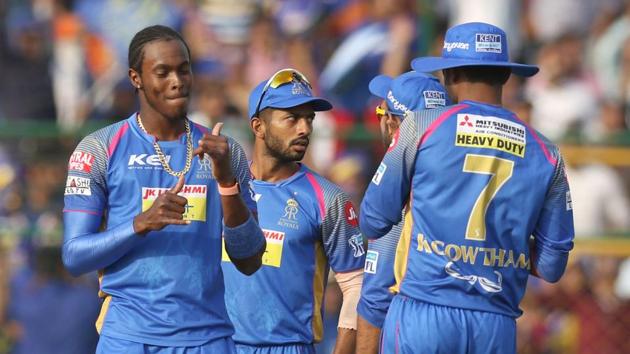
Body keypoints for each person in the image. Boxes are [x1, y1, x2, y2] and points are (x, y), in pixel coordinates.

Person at [360, 22, 575, 353]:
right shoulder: (548, 153)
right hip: (496, 323)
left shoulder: (421, 126)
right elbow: (551, 265)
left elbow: (373, 220)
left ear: (449, 75)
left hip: (423, 311)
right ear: (505, 77)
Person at [61, 25, 265, 354]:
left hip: (208, 339)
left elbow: (251, 259)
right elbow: (73, 256)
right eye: (163, 72)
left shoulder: (225, 152)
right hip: (128, 338)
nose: (177, 81)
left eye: (184, 70)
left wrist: (227, 184)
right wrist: (139, 224)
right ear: (135, 77)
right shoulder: (99, 149)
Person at [221, 68, 366, 354]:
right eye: (292, 118)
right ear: (258, 126)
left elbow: (356, 288)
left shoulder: (329, 198)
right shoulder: (225, 190)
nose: (305, 129)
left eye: (309, 119)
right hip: (220, 345)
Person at [356, 71, 450, 354]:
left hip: (414, 335)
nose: (381, 120)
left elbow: (375, 302)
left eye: (382, 112)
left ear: (393, 123)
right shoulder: (459, 188)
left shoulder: (395, 204)